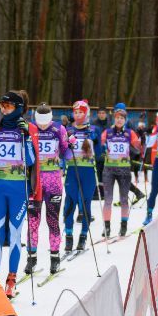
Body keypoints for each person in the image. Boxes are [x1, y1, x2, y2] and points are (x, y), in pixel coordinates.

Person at [0, 90, 38, 297]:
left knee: (15, 233)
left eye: (8, 106)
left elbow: (31, 161)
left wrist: (26, 138)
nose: (4, 109)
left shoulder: (27, 128)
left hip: (19, 188)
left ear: (18, 108)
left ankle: (11, 279)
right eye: (2, 105)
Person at [26, 103, 70, 275]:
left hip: (53, 182)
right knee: (33, 222)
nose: (43, 126)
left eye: (45, 122)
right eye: (40, 122)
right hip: (34, 182)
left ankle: (55, 258)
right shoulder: (30, 129)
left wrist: (71, 146)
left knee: (52, 221)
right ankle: (31, 259)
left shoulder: (59, 129)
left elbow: (66, 153)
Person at [100, 105, 144, 239]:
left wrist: (142, 137)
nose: (119, 120)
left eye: (122, 118)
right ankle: (107, 226)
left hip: (124, 170)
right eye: (117, 118)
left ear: (125, 120)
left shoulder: (129, 133)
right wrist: (100, 146)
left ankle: (123, 225)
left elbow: (138, 148)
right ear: (114, 119)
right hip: (109, 169)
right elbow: (100, 145)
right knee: (108, 200)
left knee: (124, 200)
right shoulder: (107, 132)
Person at [61, 99, 99, 251]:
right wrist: (67, 145)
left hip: (88, 172)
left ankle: (83, 236)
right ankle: (69, 237)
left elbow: (99, 152)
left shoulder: (93, 129)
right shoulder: (68, 130)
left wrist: (94, 140)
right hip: (72, 171)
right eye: (75, 112)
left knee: (85, 203)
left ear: (86, 113)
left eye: (80, 112)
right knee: (70, 203)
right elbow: (62, 152)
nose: (77, 115)